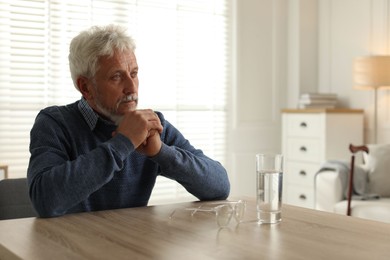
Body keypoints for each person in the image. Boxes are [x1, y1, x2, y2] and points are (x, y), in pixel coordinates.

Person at [27, 24, 230, 218]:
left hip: (130, 244)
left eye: (133, 74)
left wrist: (161, 152)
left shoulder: (151, 124)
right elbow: (45, 201)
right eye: (116, 77)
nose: (132, 88)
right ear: (86, 87)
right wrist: (123, 143)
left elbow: (220, 186)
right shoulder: (54, 123)